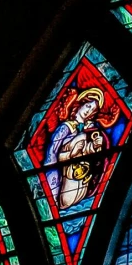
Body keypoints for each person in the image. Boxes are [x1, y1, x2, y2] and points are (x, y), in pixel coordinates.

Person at [43, 85, 115, 218]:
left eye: (92, 110)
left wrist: (95, 147)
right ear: (81, 103)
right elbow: (52, 152)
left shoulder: (88, 131)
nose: (89, 111)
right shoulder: (66, 127)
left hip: (80, 175)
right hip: (61, 173)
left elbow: (91, 153)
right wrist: (70, 154)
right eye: (88, 106)